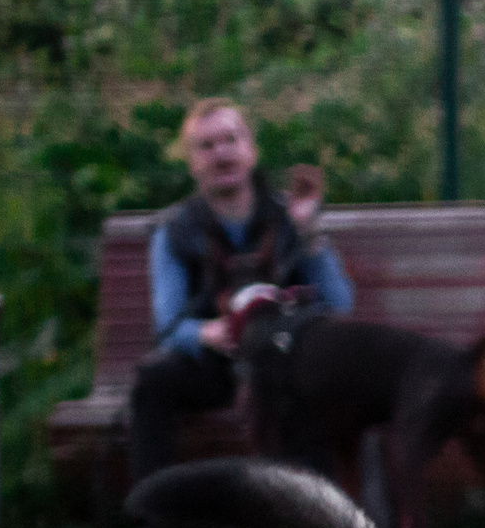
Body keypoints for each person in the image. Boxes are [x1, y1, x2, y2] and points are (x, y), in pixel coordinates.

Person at [128, 98, 356, 487]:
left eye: (230, 140)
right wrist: (208, 334)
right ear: (192, 163)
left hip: (282, 361)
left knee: (318, 385)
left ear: (250, 151)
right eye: (207, 146)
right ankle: (157, 524)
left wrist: (308, 231)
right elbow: (168, 327)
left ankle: (315, 520)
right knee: (153, 383)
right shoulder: (173, 231)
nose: (221, 153)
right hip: (217, 366)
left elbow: (339, 305)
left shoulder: (292, 215)